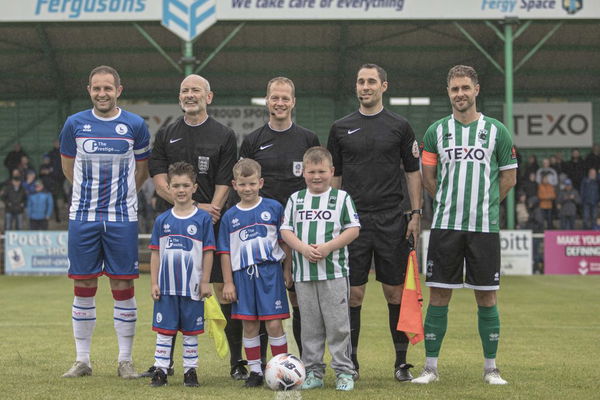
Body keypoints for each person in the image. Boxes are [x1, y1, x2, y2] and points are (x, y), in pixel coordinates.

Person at [413, 65, 517, 385]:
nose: (460, 94)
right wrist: (449, 202)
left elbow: (509, 177)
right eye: (454, 89)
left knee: (486, 296)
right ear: (448, 92)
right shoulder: (435, 132)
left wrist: (483, 203)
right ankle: (430, 368)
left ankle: (491, 368)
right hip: (446, 226)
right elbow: (428, 179)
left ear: (476, 89)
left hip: (483, 228)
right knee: (439, 294)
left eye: (465, 88)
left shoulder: (498, 131)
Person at [327, 63, 422, 381]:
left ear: (384, 86)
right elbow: (335, 176)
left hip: (391, 220)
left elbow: (412, 172)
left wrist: (416, 213)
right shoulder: (341, 127)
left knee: (394, 293)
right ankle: (350, 363)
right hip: (352, 222)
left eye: (371, 81)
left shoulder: (400, 125)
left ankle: (401, 363)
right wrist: (332, 216)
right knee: (353, 295)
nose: (365, 86)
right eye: (360, 82)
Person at [147, 74, 240, 379]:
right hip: (174, 224)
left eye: (195, 90)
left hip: (211, 225)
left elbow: (226, 180)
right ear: (179, 97)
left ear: (208, 97)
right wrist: (191, 207)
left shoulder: (224, 135)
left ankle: (236, 362)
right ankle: (165, 363)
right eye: (185, 90)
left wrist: (210, 211)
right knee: (171, 290)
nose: (190, 95)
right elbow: (159, 177)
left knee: (221, 289)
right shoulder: (166, 134)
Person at [60, 65, 150, 378]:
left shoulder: (135, 125)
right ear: (89, 91)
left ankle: (125, 360)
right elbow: (68, 168)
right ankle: (82, 360)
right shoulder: (74, 124)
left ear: (118, 90)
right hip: (82, 217)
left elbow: (142, 170)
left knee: (122, 285)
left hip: (121, 218)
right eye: (97, 89)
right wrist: (88, 195)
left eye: (108, 88)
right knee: (83, 284)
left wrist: (122, 196)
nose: (102, 94)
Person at [239, 76, 320, 358]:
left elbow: (317, 181)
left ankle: (305, 360)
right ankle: (257, 365)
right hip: (263, 234)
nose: (280, 103)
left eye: (285, 98)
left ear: (293, 102)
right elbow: (244, 184)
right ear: (267, 100)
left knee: (300, 298)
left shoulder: (308, 139)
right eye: (275, 97)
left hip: (300, 230)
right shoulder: (253, 141)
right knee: (259, 300)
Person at [281, 146, 360, 391]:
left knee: (338, 326)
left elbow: (353, 229)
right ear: (303, 172)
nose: (317, 176)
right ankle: (313, 372)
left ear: (332, 171)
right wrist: (303, 249)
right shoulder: (296, 199)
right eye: (312, 171)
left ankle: (344, 372)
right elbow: (285, 230)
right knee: (310, 327)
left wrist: (327, 247)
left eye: (322, 171)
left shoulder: (342, 198)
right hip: (304, 274)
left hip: (334, 273)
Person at [217, 158, 291, 388]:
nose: (247, 189)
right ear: (234, 185)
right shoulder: (230, 216)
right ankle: (256, 372)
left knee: (274, 324)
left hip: (270, 273)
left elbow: (285, 242)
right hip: (243, 277)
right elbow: (226, 252)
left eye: (251, 184)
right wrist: (228, 283)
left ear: (260, 182)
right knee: (249, 325)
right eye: (242, 184)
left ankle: (281, 369)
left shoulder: (273, 207)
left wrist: (287, 270)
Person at [148, 162, 215, 387]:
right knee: (164, 331)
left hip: (192, 287)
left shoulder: (203, 219)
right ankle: (160, 370)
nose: (181, 190)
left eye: (186, 185)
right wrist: (154, 282)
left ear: (194, 187)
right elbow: (156, 254)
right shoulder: (162, 220)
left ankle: (190, 371)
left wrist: (205, 281)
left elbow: (208, 253)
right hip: (166, 288)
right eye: (176, 185)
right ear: (168, 188)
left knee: (190, 332)